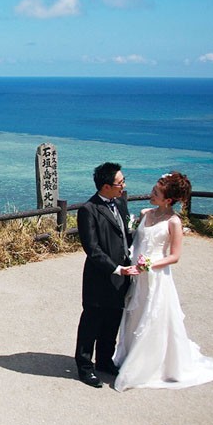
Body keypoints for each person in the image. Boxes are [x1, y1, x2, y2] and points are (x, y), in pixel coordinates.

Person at [112, 172, 213, 391]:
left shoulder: (174, 222)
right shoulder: (145, 213)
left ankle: (151, 365)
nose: (151, 194)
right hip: (136, 275)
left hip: (157, 276)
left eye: (156, 193)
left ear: (168, 200)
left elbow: (175, 256)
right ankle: (130, 356)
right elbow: (136, 240)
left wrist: (148, 265)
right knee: (135, 314)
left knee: (153, 317)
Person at [74, 162, 133, 388]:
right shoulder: (88, 210)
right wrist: (115, 268)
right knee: (92, 322)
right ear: (106, 186)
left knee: (113, 320)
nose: (123, 185)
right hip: (100, 277)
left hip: (123, 275)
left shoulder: (121, 203)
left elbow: (126, 236)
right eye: (120, 182)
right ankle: (85, 366)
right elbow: (92, 248)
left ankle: (105, 361)